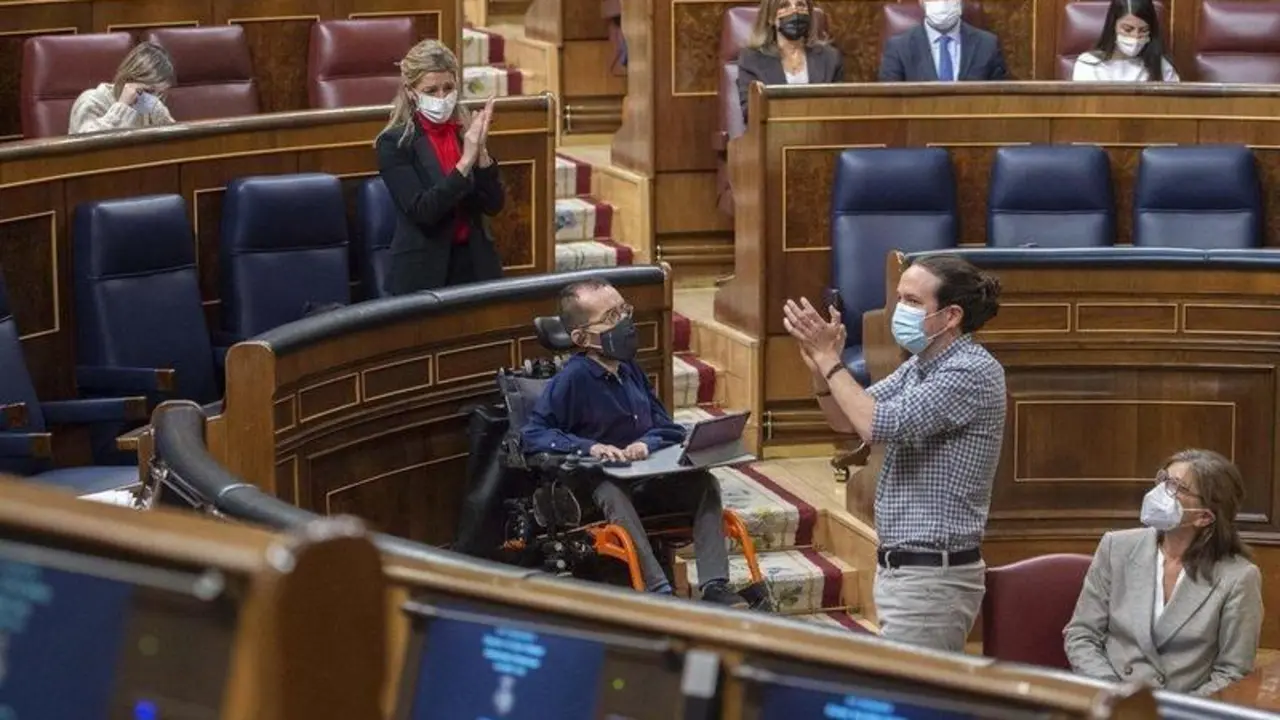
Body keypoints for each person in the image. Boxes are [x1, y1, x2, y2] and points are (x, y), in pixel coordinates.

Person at [783, 253, 1006, 652]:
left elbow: (875, 424)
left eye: (913, 301)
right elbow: (847, 420)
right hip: (905, 572)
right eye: (900, 298)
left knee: (912, 691)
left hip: (933, 581)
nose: (900, 310)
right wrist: (820, 369)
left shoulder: (970, 371)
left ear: (951, 315)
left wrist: (831, 362)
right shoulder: (920, 366)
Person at [522, 278, 748, 608]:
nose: (625, 322)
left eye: (624, 310)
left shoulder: (630, 371)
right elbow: (534, 433)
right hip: (601, 485)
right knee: (610, 490)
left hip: (646, 477)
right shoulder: (573, 379)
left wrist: (646, 443)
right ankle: (659, 591)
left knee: (704, 484)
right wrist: (589, 447)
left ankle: (715, 586)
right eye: (611, 317)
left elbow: (667, 428)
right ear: (582, 338)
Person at [1064, 449, 1263, 696]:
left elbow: (1232, 673)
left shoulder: (1239, 577)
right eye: (1163, 480)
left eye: (1177, 487)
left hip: (1182, 708)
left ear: (1204, 517)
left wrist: (1174, 711)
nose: (1160, 492)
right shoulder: (1116, 547)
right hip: (1110, 699)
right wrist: (1116, 698)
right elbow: (1081, 635)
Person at [376, 40, 504, 295]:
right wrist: (465, 162)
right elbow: (424, 211)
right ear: (411, 91)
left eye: (448, 88)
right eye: (431, 90)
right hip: (423, 273)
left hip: (475, 265)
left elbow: (493, 205)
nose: (442, 97)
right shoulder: (394, 143)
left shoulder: (464, 131)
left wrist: (481, 154)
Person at [737, 0, 844, 122]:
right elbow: (750, 113)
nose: (794, 11)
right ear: (771, 17)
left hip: (820, 131)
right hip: (773, 131)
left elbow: (838, 108)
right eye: (784, 5)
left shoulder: (831, 58)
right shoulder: (751, 59)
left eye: (800, 5)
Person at [878, 0, 1007, 82]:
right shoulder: (898, 48)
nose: (943, 3)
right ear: (921, 2)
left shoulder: (987, 45)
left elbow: (1000, 100)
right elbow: (890, 104)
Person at [68, 42, 175, 135]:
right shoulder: (91, 101)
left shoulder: (148, 103)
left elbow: (174, 141)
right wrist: (122, 106)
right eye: (149, 91)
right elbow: (89, 144)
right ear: (128, 79)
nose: (154, 99)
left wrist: (160, 114)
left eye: (160, 94)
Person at [1071, 0, 1179, 82]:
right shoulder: (1089, 64)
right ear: (1113, 26)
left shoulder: (1161, 66)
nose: (1135, 36)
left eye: (1143, 30)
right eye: (1128, 29)